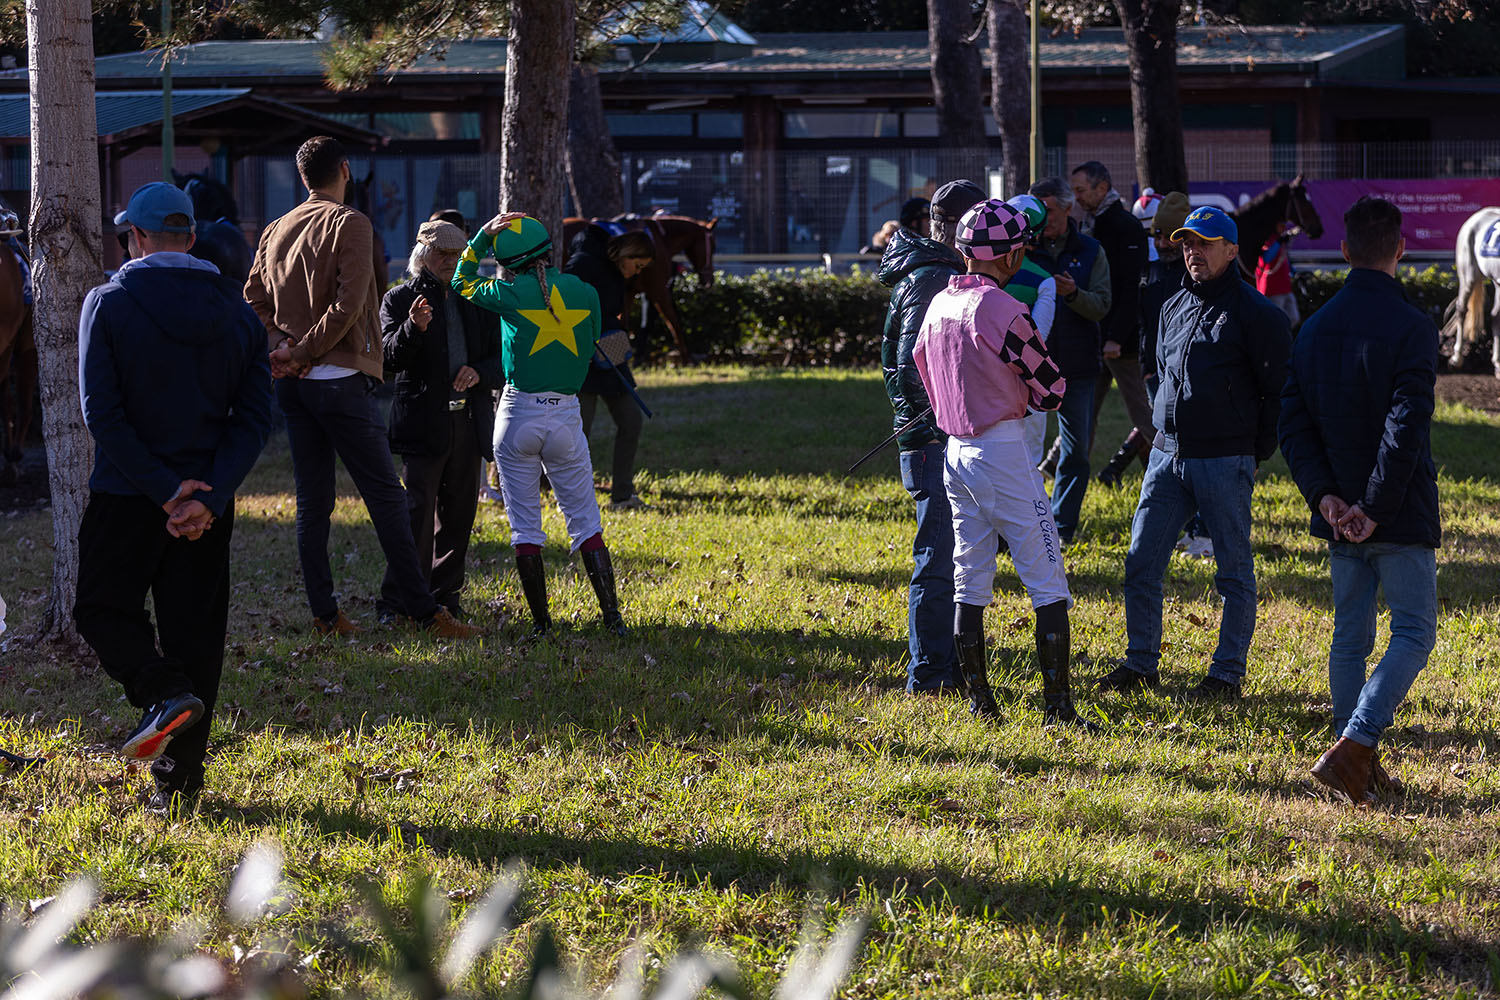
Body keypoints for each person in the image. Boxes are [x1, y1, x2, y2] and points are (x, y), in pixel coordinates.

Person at [73, 182, 274, 813]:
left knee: (102, 609)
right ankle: (181, 781)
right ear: (190, 237)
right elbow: (254, 418)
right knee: (197, 630)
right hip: (209, 502)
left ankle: (160, 692)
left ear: (134, 236)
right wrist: (207, 498)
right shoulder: (238, 313)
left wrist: (164, 490)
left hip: (127, 493)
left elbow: (99, 413)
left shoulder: (108, 303)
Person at [244, 136, 480, 640]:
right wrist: (304, 351)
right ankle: (423, 610)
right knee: (387, 501)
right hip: (338, 378)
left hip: (294, 384)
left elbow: (253, 295)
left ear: (303, 176)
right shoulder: (351, 222)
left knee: (313, 502)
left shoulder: (274, 228)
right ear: (345, 170)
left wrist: (281, 346)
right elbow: (351, 303)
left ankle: (326, 615)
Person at [1279, 196, 1439, 803]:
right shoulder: (1413, 325)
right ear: (1399, 250)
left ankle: (1354, 765)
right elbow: (1407, 424)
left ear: (1344, 252)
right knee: (1415, 632)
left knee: (1350, 639)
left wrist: (1326, 500)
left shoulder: (1314, 326)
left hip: (1342, 512)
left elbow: (1293, 426)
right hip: (1391, 512)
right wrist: (1372, 506)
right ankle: (1356, 746)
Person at [1100, 206, 1291, 700]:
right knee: (1141, 563)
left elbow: (1279, 392)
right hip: (1166, 457)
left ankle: (1226, 675)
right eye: (1186, 242)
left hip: (1224, 460)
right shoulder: (1170, 305)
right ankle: (1141, 663)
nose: (1192, 251)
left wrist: (1254, 451)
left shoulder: (1258, 314)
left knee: (1233, 572)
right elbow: (1161, 372)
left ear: (1231, 250)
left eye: (1204, 243)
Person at [912, 199, 1084, 725]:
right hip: (1004, 449)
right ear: (1011, 256)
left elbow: (921, 367)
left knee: (971, 576)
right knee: (1047, 578)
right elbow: (1051, 386)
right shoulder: (1006, 309)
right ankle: (1058, 708)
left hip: (954, 452)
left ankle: (980, 702)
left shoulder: (938, 304)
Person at [454, 210, 627, 637]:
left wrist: (479, 238)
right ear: (549, 251)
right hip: (566, 416)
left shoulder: (507, 292)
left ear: (508, 263)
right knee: (586, 521)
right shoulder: (584, 291)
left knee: (525, 527)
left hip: (516, 416)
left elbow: (461, 280)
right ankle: (612, 620)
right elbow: (589, 352)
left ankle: (542, 625)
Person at [876, 177, 985, 695]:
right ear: (956, 228)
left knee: (954, 553)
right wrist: (943, 420)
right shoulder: (930, 276)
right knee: (938, 557)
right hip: (929, 440)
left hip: (933, 437)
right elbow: (909, 367)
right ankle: (930, 675)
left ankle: (951, 665)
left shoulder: (931, 268)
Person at [378, 220, 504, 621]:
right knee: (415, 513)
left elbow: (504, 357)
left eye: (457, 255)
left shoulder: (476, 298)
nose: (449, 261)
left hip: (467, 420)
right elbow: (387, 362)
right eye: (442, 254)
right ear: (421, 255)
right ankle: (396, 602)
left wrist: (479, 373)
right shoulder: (399, 299)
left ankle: (445, 597)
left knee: (460, 514)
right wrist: (413, 329)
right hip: (422, 422)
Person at [1027, 177, 1111, 545]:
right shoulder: (1020, 250)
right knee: (1021, 450)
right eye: (1035, 211)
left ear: (1067, 208)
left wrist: (1074, 293)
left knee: (1075, 453)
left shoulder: (1091, 250)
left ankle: (1061, 528)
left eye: (1048, 210)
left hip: (1077, 366)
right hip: (1028, 367)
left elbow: (1102, 306)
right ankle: (1023, 522)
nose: (1042, 218)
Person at [1099, 190, 1192, 488]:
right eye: (1157, 237)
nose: (1163, 245)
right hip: (1154, 373)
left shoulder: (1193, 277)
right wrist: (1145, 365)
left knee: (1183, 439)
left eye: (1170, 239)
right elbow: (1144, 323)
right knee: (1161, 434)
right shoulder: (1150, 272)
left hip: (1188, 374)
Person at [564, 226, 655, 510]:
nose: (637, 272)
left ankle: (623, 495)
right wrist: (581, 346)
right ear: (627, 254)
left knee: (632, 420)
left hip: (611, 352)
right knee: (579, 434)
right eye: (637, 265)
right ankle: (571, 499)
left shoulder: (616, 271)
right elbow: (561, 305)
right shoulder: (583, 264)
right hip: (582, 359)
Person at [1001, 193, 1059, 467]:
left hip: (978, 380)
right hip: (1025, 382)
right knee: (1027, 462)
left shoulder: (974, 271)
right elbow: (1038, 339)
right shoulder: (1043, 279)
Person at [1256, 219, 1301, 327]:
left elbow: (1285, 261)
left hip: (1285, 287)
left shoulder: (1280, 241)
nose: (1284, 228)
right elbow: (1267, 258)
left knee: (1293, 318)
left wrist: (1296, 273)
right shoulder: (1269, 240)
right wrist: (1279, 241)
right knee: (1275, 321)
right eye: (1281, 225)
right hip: (1273, 289)